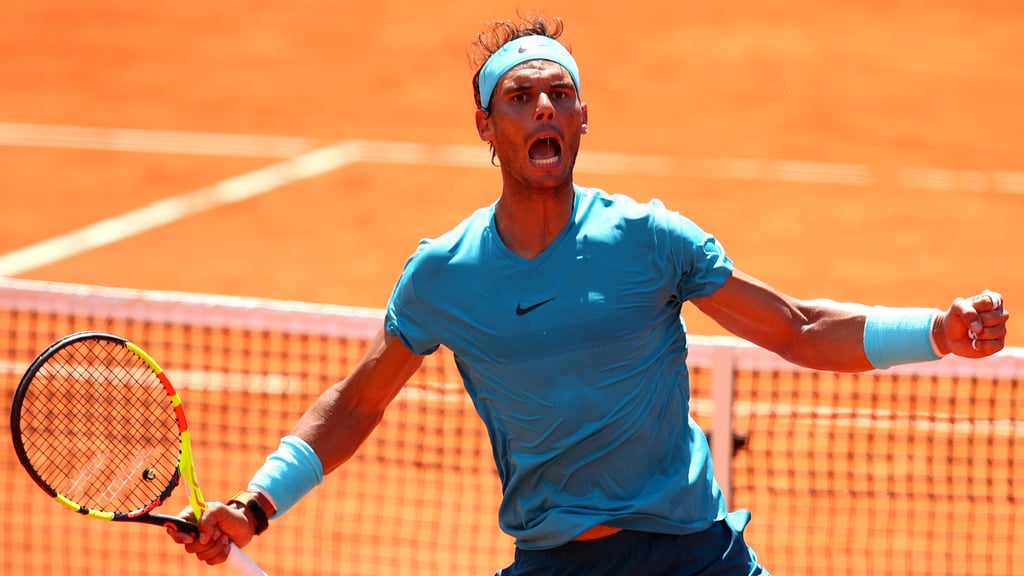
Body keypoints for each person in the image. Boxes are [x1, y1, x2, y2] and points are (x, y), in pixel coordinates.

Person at [169, 14, 1010, 576]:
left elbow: (794, 329)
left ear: (581, 119)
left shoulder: (650, 239)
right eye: (521, 96)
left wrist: (935, 332)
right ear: (486, 125)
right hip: (560, 560)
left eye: (560, 94)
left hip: (694, 555)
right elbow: (355, 407)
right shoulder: (443, 276)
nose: (544, 107)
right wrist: (256, 502)